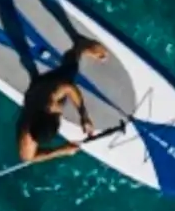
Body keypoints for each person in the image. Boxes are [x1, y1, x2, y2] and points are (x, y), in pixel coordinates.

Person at [15, 37, 111, 165]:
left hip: (43, 87)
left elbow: (69, 88)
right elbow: (28, 158)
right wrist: (61, 151)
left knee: (71, 69)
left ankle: (79, 47)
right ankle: (35, 76)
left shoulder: (50, 100)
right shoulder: (28, 135)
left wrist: (83, 115)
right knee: (41, 88)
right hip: (34, 96)